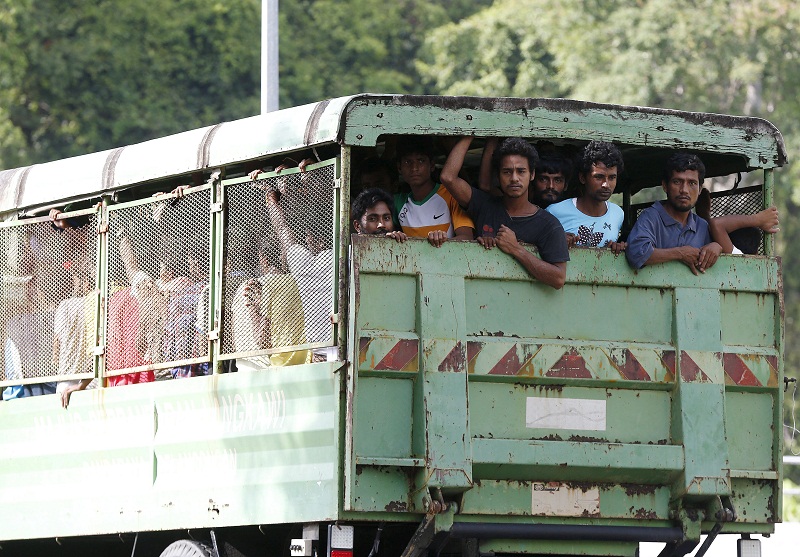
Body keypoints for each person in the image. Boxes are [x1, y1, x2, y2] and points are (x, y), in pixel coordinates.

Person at [440, 136, 569, 289]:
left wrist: (516, 249)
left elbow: (558, 278)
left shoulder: (549, 225)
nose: (514, 178)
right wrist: (471, 131)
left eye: (521, 171)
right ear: (498, 176)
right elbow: (448, 178)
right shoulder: (484, 205)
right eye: (507, 172)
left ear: (532, 174)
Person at [626, 153, 722, 274]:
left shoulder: (702, 226)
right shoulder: (651, 217)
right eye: (677, 182)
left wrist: (717, 246)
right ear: (665, 186)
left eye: (692, 183)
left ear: (700, 189)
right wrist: (680, 253)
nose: (684, 190)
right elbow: (636, 253)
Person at [547, 141, 626, 254]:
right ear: (583, 178)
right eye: (599, 177)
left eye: (612, 177)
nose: (606, 184)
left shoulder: (618, 214)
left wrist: (617, 247)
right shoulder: (555, 212)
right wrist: (556, 241)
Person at [394, 137, 475, 247]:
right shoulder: (397, 202)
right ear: (399, 168)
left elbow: (467, 238)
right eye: (408, 162)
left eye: (421, 161)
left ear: (432, 165)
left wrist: (442, 241)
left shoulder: (451, 194)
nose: (414, 168)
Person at [479, 138, 571, 209]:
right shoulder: (511, 202)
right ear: (532, 177)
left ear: (566, 185)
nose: (550, 186)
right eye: (543, 179)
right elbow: (485, 186)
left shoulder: (572, 213)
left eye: (558, 180)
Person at [54, 262, 97, 408]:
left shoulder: (64, 306)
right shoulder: (94, 304)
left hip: (67, 377)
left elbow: (56, 346)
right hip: (91, 377)